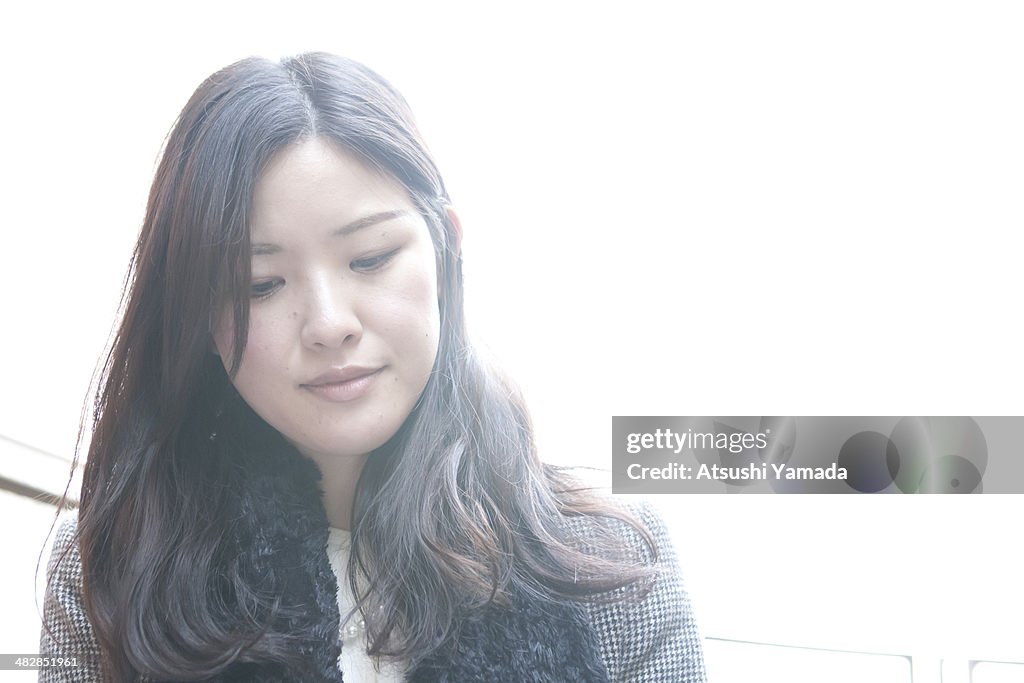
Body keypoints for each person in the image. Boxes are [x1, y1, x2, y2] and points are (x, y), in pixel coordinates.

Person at [40, 52, 707, 682]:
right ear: (199, 317)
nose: (330, 323)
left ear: (446, 250)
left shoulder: (613, 561)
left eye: (370, 258)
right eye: (259, 285)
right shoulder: (113, 566)